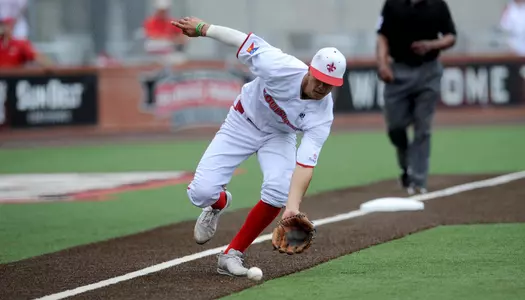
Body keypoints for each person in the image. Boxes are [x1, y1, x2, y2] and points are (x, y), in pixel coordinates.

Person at [172, 17, 346, 276]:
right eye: (319, 78)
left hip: (279, 135)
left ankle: (232, 254)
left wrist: (292, 207)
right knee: (201, 193)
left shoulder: (323, 115)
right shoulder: (278, 65)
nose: (322, 87)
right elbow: (242, 40)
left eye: (330, 84)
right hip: (242, 122)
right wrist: (203, 29)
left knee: (279, 191)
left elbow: (305, 164)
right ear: (310, 70)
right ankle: (218, 203)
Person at [376, 0, 457, 195]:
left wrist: (432, 44)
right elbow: (382, 36)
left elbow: (451, 36)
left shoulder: (438, 5)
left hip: (428, 72)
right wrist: (382, 64)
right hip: (398, 71)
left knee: (422, 127)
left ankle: (419, 181)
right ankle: (406, 167)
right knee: (395, 127)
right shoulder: (393, 5)